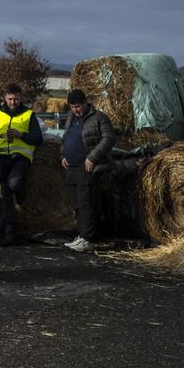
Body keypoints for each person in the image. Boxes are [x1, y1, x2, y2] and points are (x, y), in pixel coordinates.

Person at [60, 89, 116, 252]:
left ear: (85, 102)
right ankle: (82, 234)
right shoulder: (71, 118)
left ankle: (88, 238)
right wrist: (63, 154)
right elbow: (66, 137)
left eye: (77, 106)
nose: (75, 110)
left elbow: (109, 139)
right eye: (72, 107)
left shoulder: (99, 118)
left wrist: (92, 157)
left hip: (88, 166)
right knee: (76, 203)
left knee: (86, 202)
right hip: (71, 166)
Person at [0, 84, 43, 245]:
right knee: (6, 197)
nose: (13, 102)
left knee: (15, 183)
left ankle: (21, 194)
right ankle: (9, 232)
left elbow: (38, 139)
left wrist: (21, 135)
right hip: (2, 158)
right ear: (5, 98)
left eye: (16, 99)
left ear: (21, 98)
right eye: (10, 99)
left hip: (21, 158)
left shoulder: (28, 114)